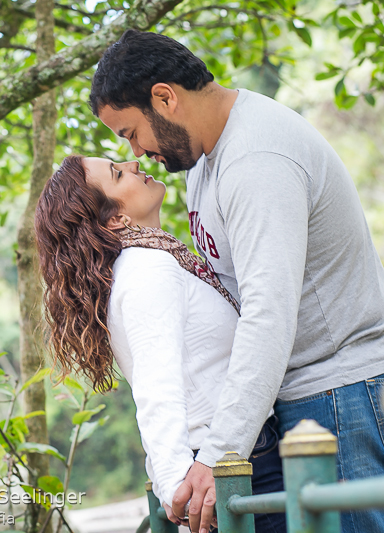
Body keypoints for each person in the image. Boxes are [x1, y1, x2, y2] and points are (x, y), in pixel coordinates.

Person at [88, 29, 384, 533]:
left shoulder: (255, 160)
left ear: (165, 97)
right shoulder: (206, 160)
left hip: (337, 393)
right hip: (298, 400)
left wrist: (220, 453)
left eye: (130, 133)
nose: (136, 152)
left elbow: (266, 314)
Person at [34, 155, 286, 532]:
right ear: (116, 219)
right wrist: (174, 484)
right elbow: (157, 386)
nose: (133, 163)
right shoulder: (147, 271)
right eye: (118, 174)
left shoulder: (154, 262)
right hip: (229, 464)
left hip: (231, 454)